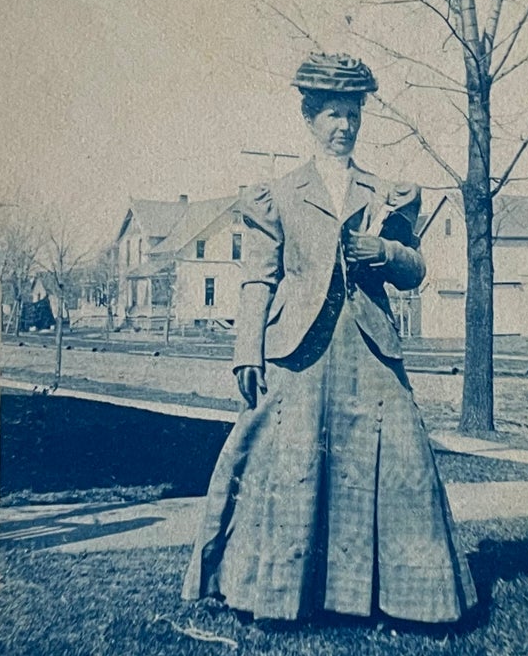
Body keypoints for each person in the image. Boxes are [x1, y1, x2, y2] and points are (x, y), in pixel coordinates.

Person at [181, 53, 477, 624]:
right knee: (290, 465)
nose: (344, 126)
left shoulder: (386, 192)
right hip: (298, 350)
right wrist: (247, 351)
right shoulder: (278, 194)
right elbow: (259, 277)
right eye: (332, 115)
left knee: (401, 462)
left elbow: (415, 269)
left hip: (369, 347)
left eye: (352, 114)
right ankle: (274, 595)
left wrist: (384, 252)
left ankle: (412, 599)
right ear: (309, 118)